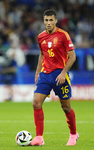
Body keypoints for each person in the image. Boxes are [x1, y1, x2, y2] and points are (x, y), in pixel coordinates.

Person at [30, 9, 78, 146]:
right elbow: (42, 54)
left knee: (66, 107)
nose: (49, 22)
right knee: (36, 103)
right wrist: (37, 72)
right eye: (46, 20)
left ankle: (73, 134)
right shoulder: (40, 37)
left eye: (51, 20)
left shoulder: (63, 35)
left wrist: (63, 73)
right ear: (43, 21)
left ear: (56, 20)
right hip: (45, 74)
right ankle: (39, 137)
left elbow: (72, 56)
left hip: (59, 74)